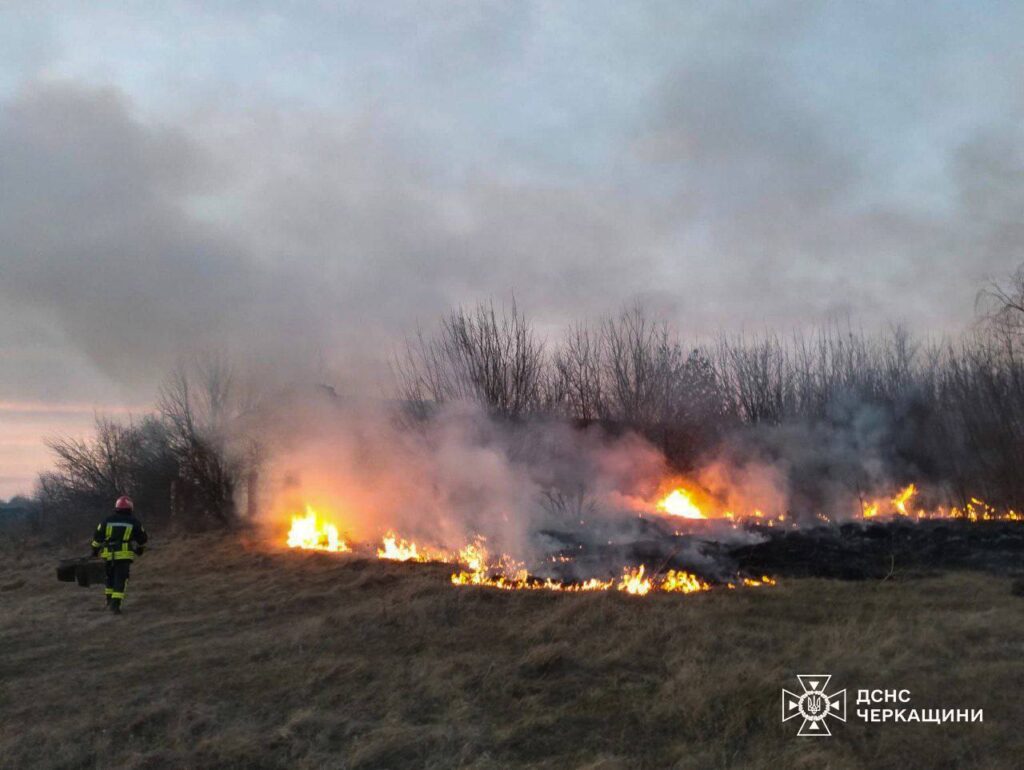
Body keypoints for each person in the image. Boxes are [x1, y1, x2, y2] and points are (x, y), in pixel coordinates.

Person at [90, 496, 148, 614]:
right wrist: (140, 549)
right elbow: (142, 539)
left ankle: (109, 601)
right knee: (120, 580)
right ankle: (115, 606)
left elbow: (97, 538)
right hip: (123, 556)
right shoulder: (134, 522)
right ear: (130, 508)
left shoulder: (106, 520)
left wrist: (94, 551)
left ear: (116, 508)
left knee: (109, 579)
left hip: (108, 555)